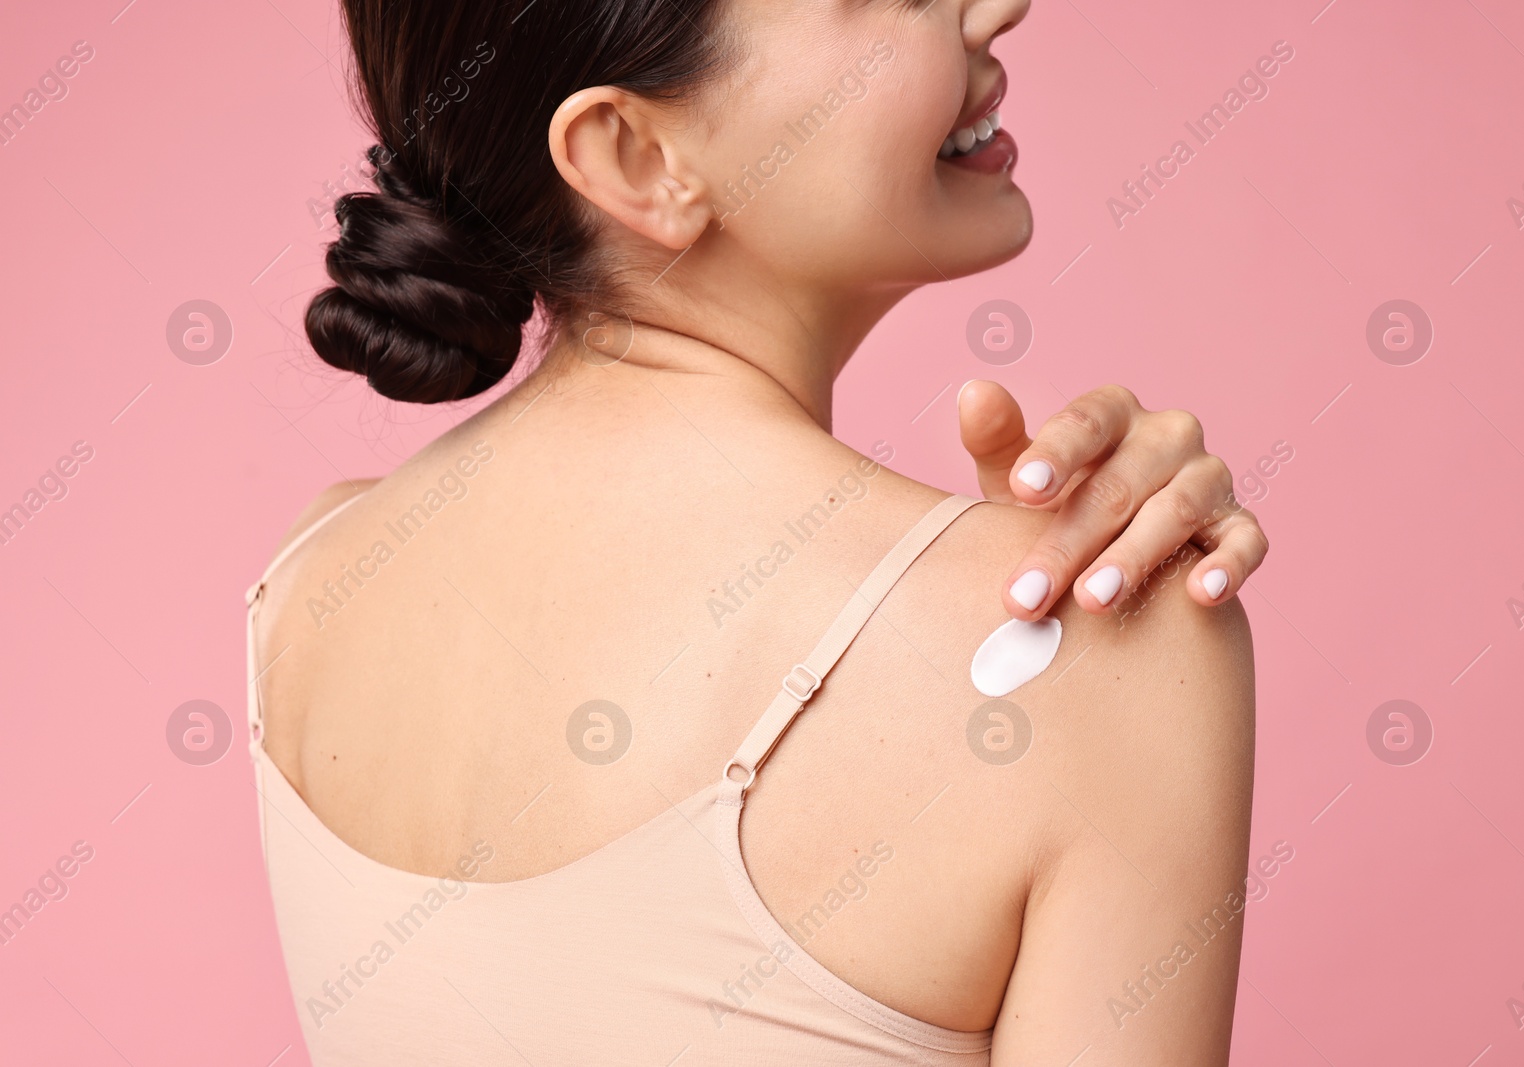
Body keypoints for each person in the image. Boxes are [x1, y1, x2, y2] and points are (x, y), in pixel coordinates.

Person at [246, 0, 1260, 1062]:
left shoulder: (312, 575)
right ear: (635, 156)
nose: (999, 6)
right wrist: (1080, 660)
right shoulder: (1102, 643)